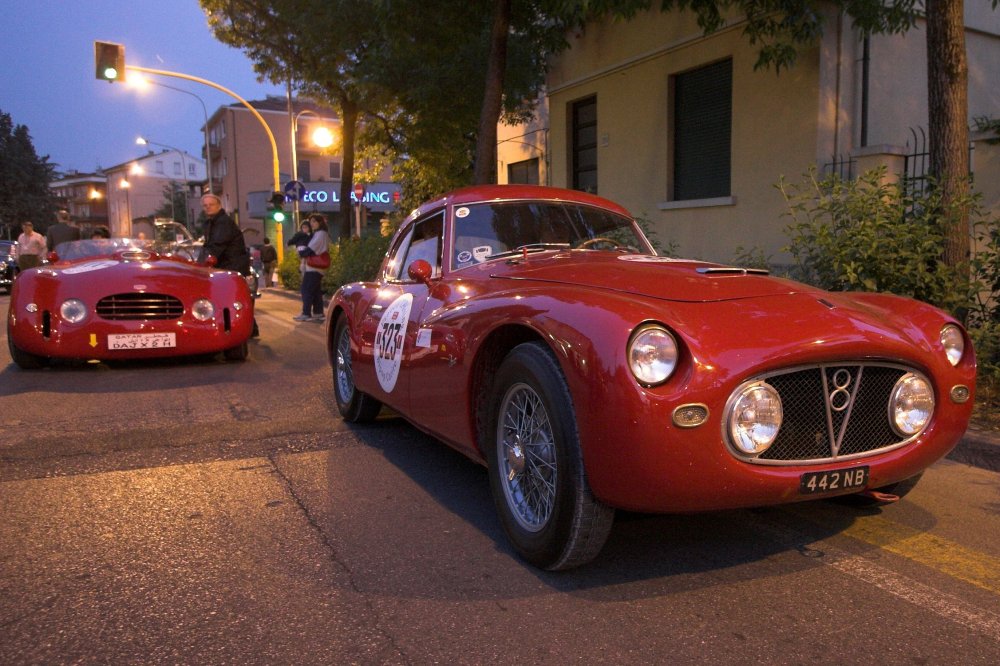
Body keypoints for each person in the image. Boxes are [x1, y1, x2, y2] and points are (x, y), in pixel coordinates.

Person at [198, 194, 257, 336]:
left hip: (232, 267)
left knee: (232, 300)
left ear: (219, 205)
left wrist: (201, 264)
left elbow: (216, 245)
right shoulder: (212, 222)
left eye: (211, 204)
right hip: (226, 267)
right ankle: (249, 329)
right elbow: (208, 246)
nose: (208, 207)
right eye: (205, 205)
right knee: (233, 300)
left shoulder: (223, 222)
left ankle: (242, 330)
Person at [294, 214, 330, 322]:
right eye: (311, 222)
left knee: (306, 290)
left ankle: (306, 313)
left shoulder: (320, 234)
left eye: (314, 221)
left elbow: (310, 249)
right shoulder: (321, 234)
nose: (312, 224)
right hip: (316, 268)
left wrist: (301, 252)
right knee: (315, 291)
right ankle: (318, 313)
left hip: (314, 267)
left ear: (320, 222)